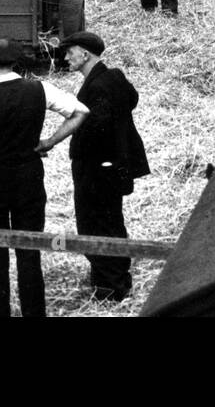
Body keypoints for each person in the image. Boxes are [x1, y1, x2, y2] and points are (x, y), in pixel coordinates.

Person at [0, 36, 88, 317]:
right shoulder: (39, 88)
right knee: (29, 253)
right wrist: (49, 142)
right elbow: (80, 111)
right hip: (29, 181)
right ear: (16, 62)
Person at [61, 30, 150, 302]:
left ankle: (110, 288)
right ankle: (115, 280)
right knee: (111, 221)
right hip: (111, 167)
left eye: (70, 52)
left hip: (97, 170)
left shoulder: (98, 87)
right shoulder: (113, 79)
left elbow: (97, 130)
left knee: (94, 224)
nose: (66, 57)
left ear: (85, 54)